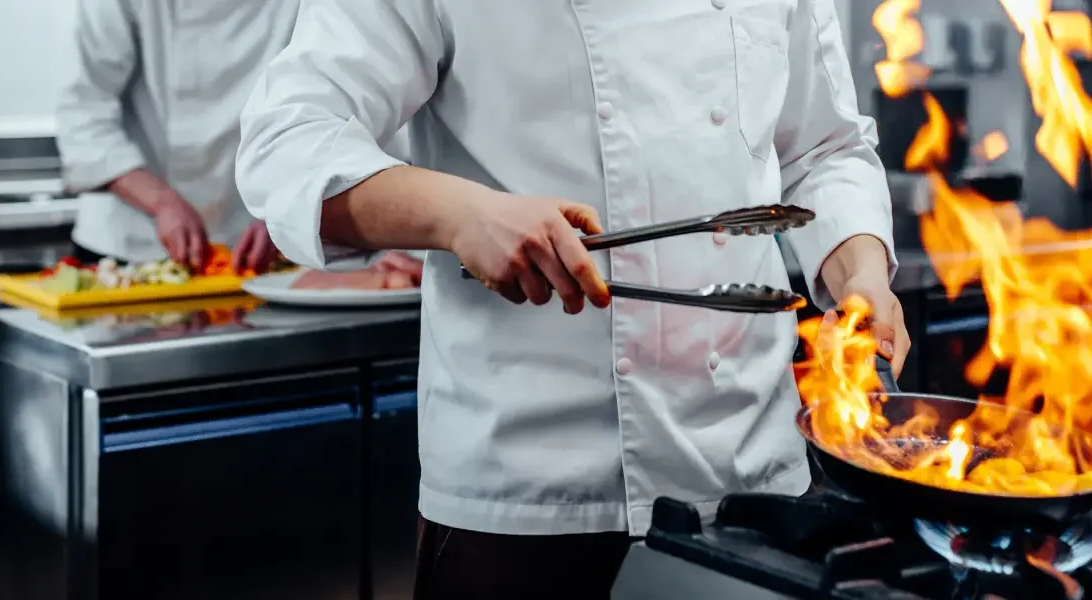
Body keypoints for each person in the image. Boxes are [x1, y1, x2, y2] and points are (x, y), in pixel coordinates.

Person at [239, 1, 907, 597]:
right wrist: (458, 212)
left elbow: (826, 148)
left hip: (756, 480)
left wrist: (862, 276)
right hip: (528, 495)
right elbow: (288, 141)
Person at [55, 0, 422, 280]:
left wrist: (294, 206)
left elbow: (339, 109)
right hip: (129, 247)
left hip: (256, 249)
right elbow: (84, 114)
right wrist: (162, 202)